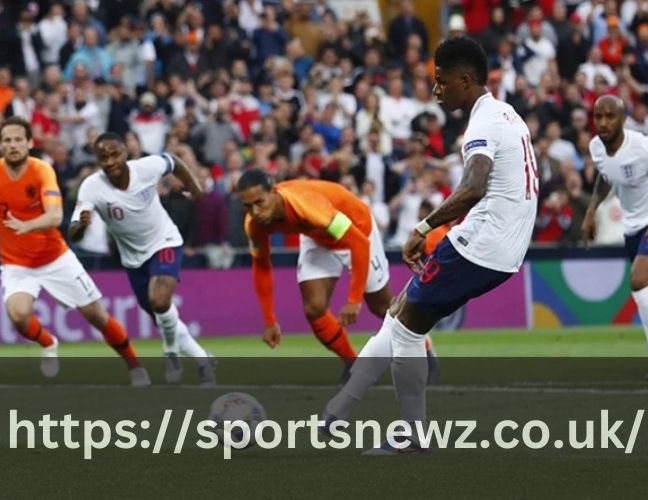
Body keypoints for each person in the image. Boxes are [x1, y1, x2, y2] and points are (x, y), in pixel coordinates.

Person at [321, 37, 539, 454]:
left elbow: (474, 186)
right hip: (500, 244)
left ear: (465, 79)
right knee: (398, 313)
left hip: (482, 242)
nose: (436, 90)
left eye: (441, 82)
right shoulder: (507, 115)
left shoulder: (484, 124)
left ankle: (412, 435)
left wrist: (422, 226)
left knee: (405, 330)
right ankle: (336, 412)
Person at [0, 117, 149, 386]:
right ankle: (48, 342)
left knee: (98, 316)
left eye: (18, 139)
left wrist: (28, 225)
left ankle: (135, 366)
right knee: (18, 315)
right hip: (16, 264)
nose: (12, 145)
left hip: (55, 258)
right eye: (7, 140)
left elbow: (56, 216)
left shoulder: (41, 170)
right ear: (0, 145)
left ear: (30, 142)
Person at [68, 133, 216, 385]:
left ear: (125, 152)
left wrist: (194, 188)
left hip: (164, 242)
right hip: (133, 260)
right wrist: (80, 226)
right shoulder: (92, 186)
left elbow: (174, 162)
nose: (111, 161)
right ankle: (203, 359)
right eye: (104, 157)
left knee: (160, 301)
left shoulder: (147, 167)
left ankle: (170, 350)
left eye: (115, 154)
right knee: (163, 315)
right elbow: (74, 232)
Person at [237, 170, 394, 381]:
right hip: (318, 237)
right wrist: (269, 321)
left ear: (273, 191)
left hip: (357, 230)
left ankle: (426, 352)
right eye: (248, 206)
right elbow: (262, 266)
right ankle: (353, 365)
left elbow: (358, 243)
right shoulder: (254, 223)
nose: (255, 212)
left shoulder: (307, 206)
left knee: (380, 307)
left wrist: (354, 301)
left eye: (259, 202)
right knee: (314, 307)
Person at [582, 95, 648, 381]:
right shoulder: (596, 147)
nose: (603, 123)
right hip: (633, 230)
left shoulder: (645, 148)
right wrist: (590, 211)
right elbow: (605, 177)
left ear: (623, 119)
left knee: (638, 280)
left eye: (610, 116)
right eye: (598, 116)